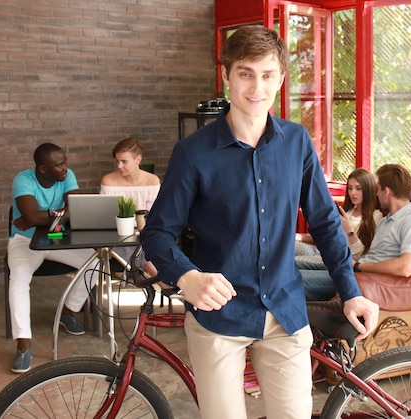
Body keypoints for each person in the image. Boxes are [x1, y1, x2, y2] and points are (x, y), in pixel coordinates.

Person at [140, 25, 378, 419]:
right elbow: (157, 232)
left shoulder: (298, 142)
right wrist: (187, 277)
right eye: (246, 73)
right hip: (219, 317)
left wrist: (350, 291)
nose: (256, 86)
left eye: (267, 75)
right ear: (227, 76)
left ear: (281, 79)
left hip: (285, 311)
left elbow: (324, 223)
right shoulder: (193, 153)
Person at [8, 143, 95, 374]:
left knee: (97, 260)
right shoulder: (23, 180)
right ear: (43, 169)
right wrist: (41, 217)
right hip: (24, 241)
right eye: (59, 165)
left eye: (65, 162)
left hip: (58, 239)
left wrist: (38, 217)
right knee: (18, 278)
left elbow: (75, 209)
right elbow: (34, 216)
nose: (65, 169)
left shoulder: (67, 175)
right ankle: (23, 345)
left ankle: (68, 312)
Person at [302, 163, 411, 300]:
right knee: (289, 269)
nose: (376, 194)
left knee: (290, 281)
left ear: (386, 191)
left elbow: (405, 267)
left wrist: (359, 266)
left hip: (365, 280)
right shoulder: (386, 221)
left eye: (378, 189)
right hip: (355, 271)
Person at [295, 168, 384, 269]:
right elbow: (327, 235)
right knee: (287, 246)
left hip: (339, 257)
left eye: (358, 188)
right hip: (322, 248)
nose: (353, 193)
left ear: (368, 190)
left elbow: (359, 254)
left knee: (292, 261)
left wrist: (349, 230)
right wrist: (298, 237)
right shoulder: (347, 211)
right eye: (350, 188)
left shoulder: (376, 216)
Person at [100, 137, 161, 275]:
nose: (119, 166)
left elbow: (154, 214)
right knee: (133, 244)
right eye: (117, 161)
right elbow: (106, 215)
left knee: (148, 241)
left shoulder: (152, 180)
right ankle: (159, 278)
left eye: (124, 162)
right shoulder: (109, 181)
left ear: (138, 160)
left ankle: (151, 276)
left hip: (144, 233)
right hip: (118, 235)